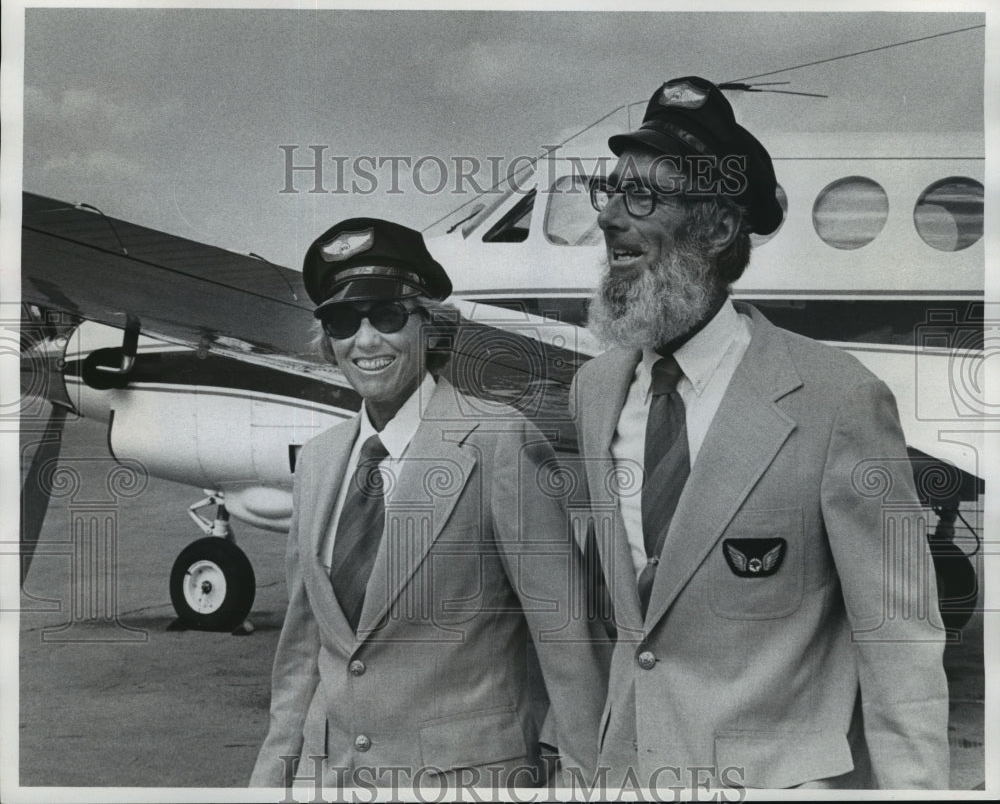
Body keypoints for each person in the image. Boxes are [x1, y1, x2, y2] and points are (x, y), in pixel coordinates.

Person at [571, 76, 950, 790]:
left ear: (717, 230)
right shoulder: (594, 390)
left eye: (643, 196)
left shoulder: (840, 400)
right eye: (610, 191)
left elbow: (900, 646)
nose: (612, 218)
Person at [250, 217, 607, 791]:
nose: (365, 341)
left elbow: (566, 641)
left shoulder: (499, 442)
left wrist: (588, 784)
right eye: (343, 321)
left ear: (430, 326)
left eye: (387, 316)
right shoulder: (318, 463)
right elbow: (302, 652)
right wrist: (270, 780)